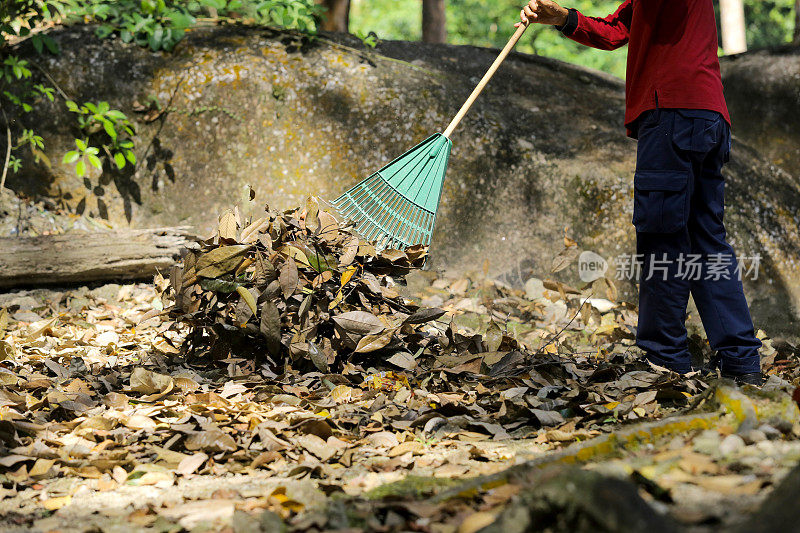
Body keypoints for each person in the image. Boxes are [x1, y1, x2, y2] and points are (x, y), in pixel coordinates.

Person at [518, 0, 763, 385]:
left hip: (673, 115)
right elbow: (618, 29)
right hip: (705, 114)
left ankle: (665, 362)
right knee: (705, 243)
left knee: (662, 238)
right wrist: (564, 18)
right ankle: (741, 362)